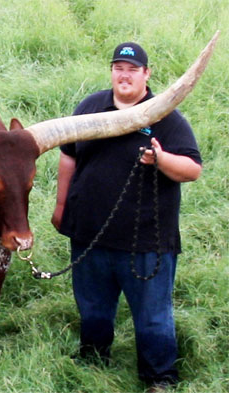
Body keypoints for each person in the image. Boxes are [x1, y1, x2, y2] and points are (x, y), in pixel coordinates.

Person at [51, 42, 202, 392]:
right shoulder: (90, 106)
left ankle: (159, 378)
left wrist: (163, 160)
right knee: (93, 310)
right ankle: (93, 361)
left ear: (146, 75)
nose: (125, 74)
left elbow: (192, 169)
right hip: (89, 237)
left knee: (152, 318)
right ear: (112, 72)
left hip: (146, 242)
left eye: (133, 69)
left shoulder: (165, 116)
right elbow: (68, 157)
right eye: (119, 67)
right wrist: (61, 207)